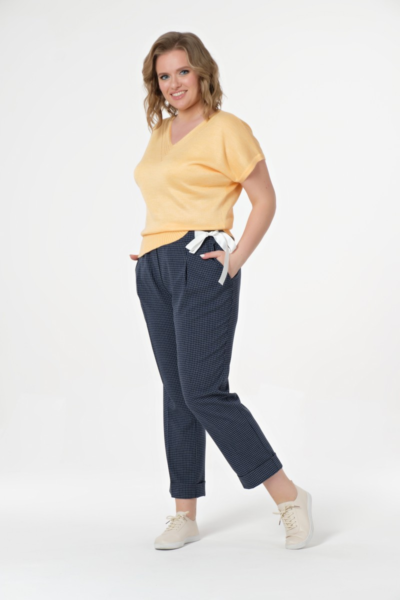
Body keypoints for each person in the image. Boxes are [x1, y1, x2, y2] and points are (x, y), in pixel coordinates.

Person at [129, 31, 314, 551]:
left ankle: (289, 496)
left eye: (182, 71)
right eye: (164, 76)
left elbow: (264, 199)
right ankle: (184, 512)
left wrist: (235, 259)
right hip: (154, 266)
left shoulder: (227, 128)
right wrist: (152, 251)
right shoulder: (160, 132)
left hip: (201, 261)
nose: (173, 83)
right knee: (177, 394)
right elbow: (166, 200)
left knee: (203, 391)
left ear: (202, 72)